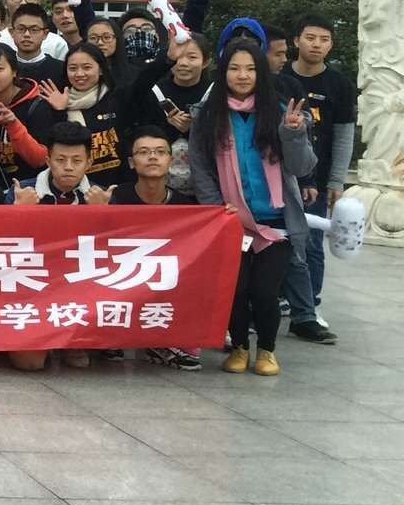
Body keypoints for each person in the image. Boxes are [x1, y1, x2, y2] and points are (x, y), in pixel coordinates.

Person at [189, 40, 315, 378]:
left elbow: (302, 167)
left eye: (250, 69)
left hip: (275, 222)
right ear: (223, 72)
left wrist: (293, 134)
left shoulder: (283, 111)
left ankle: (267, 351)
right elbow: (200, 167)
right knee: (236, 288)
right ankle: (240, 347)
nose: (242, 76)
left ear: (261, 72)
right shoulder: (207, 115)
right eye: (234, 68)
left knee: (265, 291)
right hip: (231, 221)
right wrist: (216, 208)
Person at [282, 14, 355, 345]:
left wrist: (336, 181)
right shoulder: (280, 77)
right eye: (310, 38)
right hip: (280, 176)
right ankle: (277, 301)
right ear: (296, 40)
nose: (317, 45)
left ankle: (309, 308)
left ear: (331, 45)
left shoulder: (339, 84)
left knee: (311, 244)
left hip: (317, 180)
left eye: (324, 40)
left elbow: (343, 136)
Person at [114, 124, 201, 372]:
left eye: (160, 152)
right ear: (131, 162)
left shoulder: (185, 207)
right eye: (144, 152)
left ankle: (162, 342)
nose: (153, 157)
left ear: (170, 161)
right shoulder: (115, 198)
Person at [33, 42, 124, 188]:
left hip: (116, 185)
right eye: (73, 68)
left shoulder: (117, 98)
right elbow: (51, 148)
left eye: (87, 67)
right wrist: (59, 112)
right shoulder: (56, 102)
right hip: (74, 188)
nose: (79, 74)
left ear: (101, 69)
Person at [0, 44, 52, 187]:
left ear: (14, 71)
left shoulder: (36, 105)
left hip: (29, 188)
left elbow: (40, 159)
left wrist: (13, 125)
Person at [18, 121, 110, 207]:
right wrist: (20, 209)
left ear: (88, 164)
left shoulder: (102, 196)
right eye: (60, 160)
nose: (68, 167)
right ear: (48, 161)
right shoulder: (22, 192)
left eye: (76, 160)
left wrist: (101, 210)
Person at [7, 5, 65, 86]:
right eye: (21, 29)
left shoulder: (61, 69)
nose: (27, 34)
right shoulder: (3, 68)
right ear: (12, 32)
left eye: (34, 30)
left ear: (45, 34)